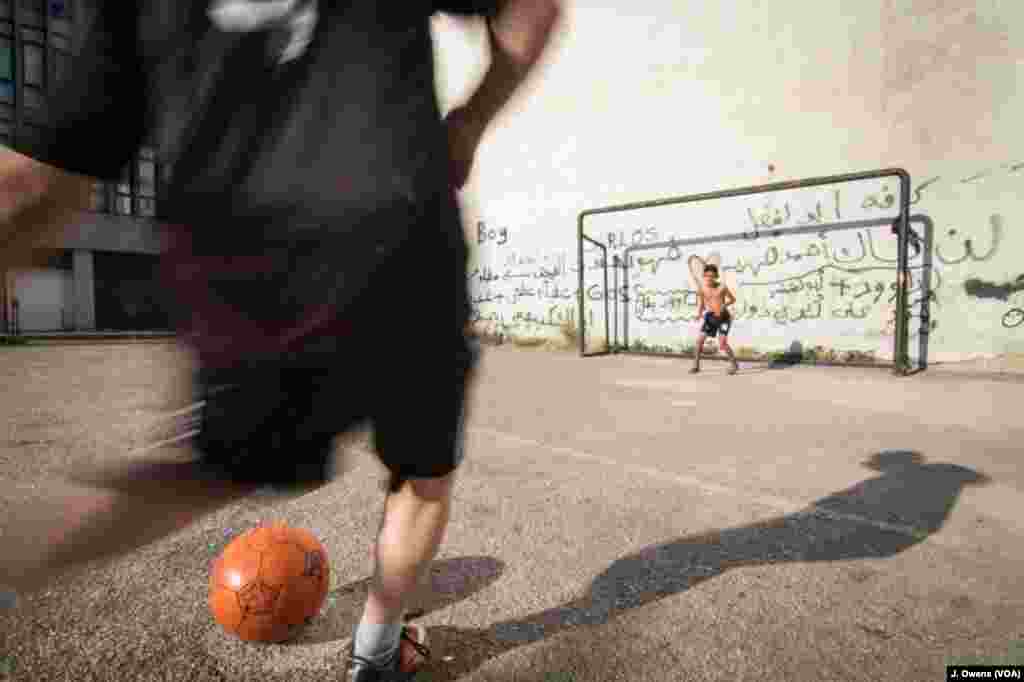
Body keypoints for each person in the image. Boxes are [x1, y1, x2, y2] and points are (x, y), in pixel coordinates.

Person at [0, 1, 561, 680]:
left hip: (247, 261)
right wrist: (469, 124)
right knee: (423, 474)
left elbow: (33, 183)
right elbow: (532, 12)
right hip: (398, 232)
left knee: (199, 476)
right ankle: (376, 655)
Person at [690, 263, 739, 375]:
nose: (709, 278)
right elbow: (702, 304)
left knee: (722, 343)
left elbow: (732, 299)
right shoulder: (702, 289)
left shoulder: (722, 287)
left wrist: (724, 305)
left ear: (716, 276)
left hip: (724, 318)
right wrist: (699, 314)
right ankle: (696, 366)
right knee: (699, 341)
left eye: (712, 276)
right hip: (711, 317)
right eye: (707, 275)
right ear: (704, 276)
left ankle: (734, 364)